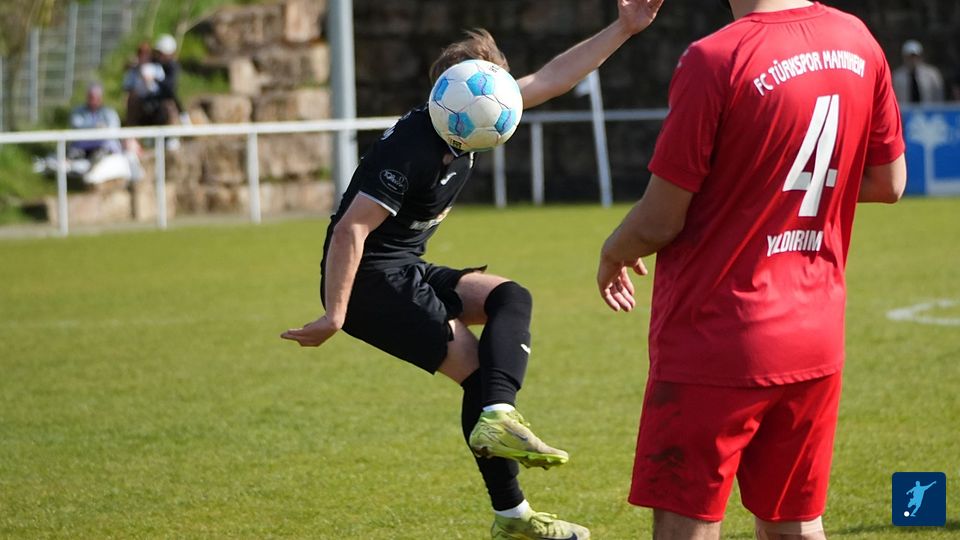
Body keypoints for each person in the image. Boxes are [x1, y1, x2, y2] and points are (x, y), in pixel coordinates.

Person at [281, 1, 664, 538]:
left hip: (403, 266)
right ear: (459, 93)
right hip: (369, 282)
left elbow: (554, 77)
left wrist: (624, 28)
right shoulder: (414, 147)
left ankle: (502, 443)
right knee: (478, 376)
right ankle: (512, 511)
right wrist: (334, 315)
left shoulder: (478, 108)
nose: (509, 98)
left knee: (511, 297)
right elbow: (350, 230)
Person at [596, 1, 905, 539]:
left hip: (717, 333)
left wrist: (614, 250)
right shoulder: (857, 39)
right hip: (816, 331)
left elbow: (660, 219)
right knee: (797, 524)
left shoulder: (716, 57)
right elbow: (889, 182)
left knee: (686, 522)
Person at [69, 83, 122, 158]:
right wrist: (95, 126)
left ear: (101, 97)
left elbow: (114, 128)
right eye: (91, 97)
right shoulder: (78, 112)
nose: (93, 100)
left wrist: (103, 129)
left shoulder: (109, 112)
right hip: (82, 147)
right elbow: (76, 125)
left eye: (96, 97)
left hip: (104, 146)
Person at [122, 42, 169, 126]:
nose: (144, 57)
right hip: (139, 101)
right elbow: (127, 88)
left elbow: (163, 86)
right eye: (142, 54)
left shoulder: (156, 68)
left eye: (146, 54)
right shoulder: (133, 70)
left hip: (156, 99)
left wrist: (151, 80)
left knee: (167, 105)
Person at [892, 39, 945, 104]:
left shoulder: (932, 74)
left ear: (920, 56)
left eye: (915, 56)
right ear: (904, 57)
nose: (912, 59)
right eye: (909, 57)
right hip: (904, 112)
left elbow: (938, 95)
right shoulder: (897, 76)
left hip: (929, 112)